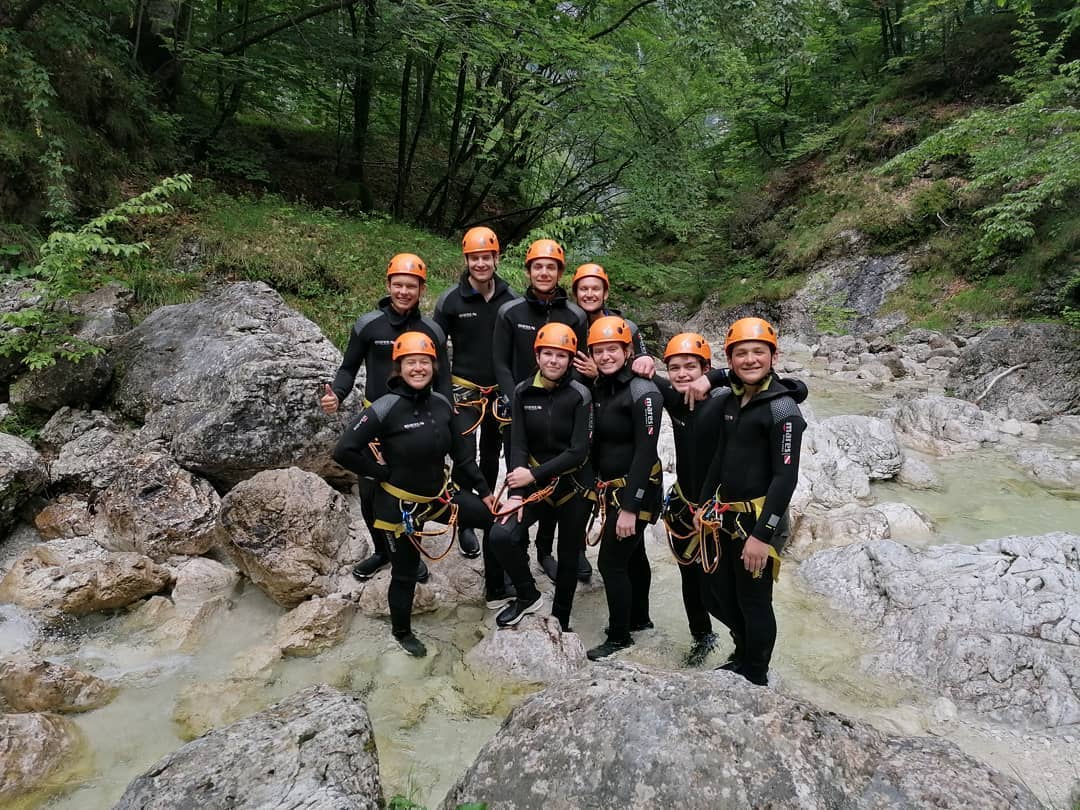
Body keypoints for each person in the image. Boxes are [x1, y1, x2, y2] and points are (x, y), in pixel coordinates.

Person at [332, 332, 497, 657]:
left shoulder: (440, 404)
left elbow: (463, 456)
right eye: (411, 362)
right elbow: (344, 450)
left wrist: (485, 492)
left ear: (433, 367)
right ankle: (402, 632)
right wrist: (380, 474)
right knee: (405, 574)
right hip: (398, 506)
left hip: (439, 497)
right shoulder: (385, 407)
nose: (418, 368)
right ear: (399, 368)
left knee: (492, 521)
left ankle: (498, 588)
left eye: (424, 362)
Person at [320, 253, 480, 583]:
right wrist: (337, 392)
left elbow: (443, 378)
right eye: (398, 285)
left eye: (411, 286)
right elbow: (349, 367)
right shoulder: (369, 325)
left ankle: (410, 552)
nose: (404, 291)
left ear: (422, 289)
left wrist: (448, 415)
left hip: (417, 421)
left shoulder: (432, 330)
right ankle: (383, 550)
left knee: (415, 488)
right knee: (369, 492)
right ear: (388, 285)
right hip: (377, 423)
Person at [694, 317, 807, 686]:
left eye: (759, 352)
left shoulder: (783, 410)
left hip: (761, 520)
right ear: (731, 360)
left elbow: (785, 477)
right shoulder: (734, 400)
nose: (750, 359)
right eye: (741, 353)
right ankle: (742, 651)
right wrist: (703, 503)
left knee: (754, 601)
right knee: (717, 594)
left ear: (774, 356)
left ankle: (756, 675)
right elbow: (720, 458)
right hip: (726, 516)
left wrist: (762, 535)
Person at [492, 239, 588, 584]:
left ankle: (554, 550)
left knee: (560, 477)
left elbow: (578, 363)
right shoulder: (511, 312)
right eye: (538, 266)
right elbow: (500, 361)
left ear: (560, 272)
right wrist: (511, 397)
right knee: (520, 475)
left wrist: (570, 399)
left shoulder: (574, 315)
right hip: (521, 405)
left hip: (562, 405)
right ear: (528, 271)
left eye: (551, 266)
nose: (544, 272)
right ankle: (516, 547)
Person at [487, 323, 594, 630]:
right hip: (533, 485)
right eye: (548, 354)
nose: (554, 361)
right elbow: (517, 442)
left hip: (573, 485)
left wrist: (531, 475)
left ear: (570, 359)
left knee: (569, 555)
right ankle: (527, 594)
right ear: (537, 355)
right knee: (501, 535)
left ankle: (561, 619)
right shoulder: (522, 392)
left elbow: (578, 451)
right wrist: (517, 494)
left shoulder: (580, 394)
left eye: (562, 355)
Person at [433, 226, 519, 599]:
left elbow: (519, 345)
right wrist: (444, 393)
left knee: (490, 456)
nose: (481, 263)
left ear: (496, 259)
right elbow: (435, 346)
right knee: (463, 454)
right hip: (464, 389)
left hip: (498, 388)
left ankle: (482, 515)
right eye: (474, 258)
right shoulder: (451, 300)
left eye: (487, 257)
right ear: (466, 260)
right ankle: (463, 520)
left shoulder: (510, 299)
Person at [585, 315, 663, 661]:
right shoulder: (602, 387)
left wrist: (630, 507)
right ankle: (639, 618)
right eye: (599, 351)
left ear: (628, 350)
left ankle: (619, 637)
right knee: (636, 555)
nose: (605, 356)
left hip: (637, 488)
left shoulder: (643, 391)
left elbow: (645, 452)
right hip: (614, 488)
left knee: (611, 563)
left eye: (612, 350)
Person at [652, 333, 725, 666]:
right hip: (684, 503)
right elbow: (627, 371)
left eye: (691, 367)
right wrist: (640, 361)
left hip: (716, 508)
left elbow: (792, 387)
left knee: (720, 581)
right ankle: (702, 637)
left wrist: (714, 378)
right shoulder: (673, 398)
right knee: (689, 578)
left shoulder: (723, 400)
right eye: (675, 368)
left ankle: (740, 642)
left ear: (705, 367)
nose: (682, 374)